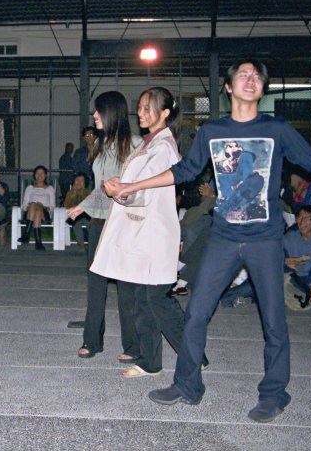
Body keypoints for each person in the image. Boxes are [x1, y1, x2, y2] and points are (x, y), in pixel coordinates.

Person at [108, 59, 311, 423]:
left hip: (265, 240)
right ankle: (187, 384)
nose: (250, 80)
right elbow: (184, 171)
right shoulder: (213, 131)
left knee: (273, 321)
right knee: (196, 314)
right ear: (229, 86)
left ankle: (273, 394)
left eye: (257, 77)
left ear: (262, 89)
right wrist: (130, 186)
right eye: (243, 75)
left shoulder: (277, 130)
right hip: (223, 236)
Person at [92, 87, 207, 378]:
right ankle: (162, 359)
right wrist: (124, 185)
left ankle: (171, 359)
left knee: (155, 300)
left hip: (154, 234)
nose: (141, 113)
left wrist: (121, 191)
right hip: (145, 232)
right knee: (150, 299)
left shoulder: (163, 147)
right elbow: (142, 186)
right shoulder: (150, 143)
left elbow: (149, 193)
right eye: (140, 107)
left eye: (148, 108)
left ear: (165, 113)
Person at [66, 91, 141, 358]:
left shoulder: (135, 144)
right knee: (95, 284)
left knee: (126, 288)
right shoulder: (101, 144)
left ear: (111, 112)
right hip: (98, 222)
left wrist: (122, 191)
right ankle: (92, 340)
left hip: (122, 222)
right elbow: (102, 188)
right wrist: (82, 206)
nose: (94, 116)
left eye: (98, 111)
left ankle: (132, 345)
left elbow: (138, 188)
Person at [18, 165, 56, 251]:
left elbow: (52, 207)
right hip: (30, 212)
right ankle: (38, 243)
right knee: (36, 209)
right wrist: (33, 206)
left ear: (45, 175)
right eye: (37, 173)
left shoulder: (50, 189)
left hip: (45, 213)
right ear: (34, 175)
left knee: (37, 207)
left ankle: (26, 234)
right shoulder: (29, 188)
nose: (39, 175)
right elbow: (24, 206)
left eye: (42, 173)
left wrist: (42, 206)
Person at [63, 173, 91, 247]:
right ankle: (81, 245)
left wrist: (81, 194)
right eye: (77, 180)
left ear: (85, 183)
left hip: (87, 215)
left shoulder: (89, 192)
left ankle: (93, 244)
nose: (79, 182)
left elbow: (89, 205)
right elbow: (66, 205)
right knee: (76, 223)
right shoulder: (70, 193)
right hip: (75, 216)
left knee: (91, 224)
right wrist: (74, 195)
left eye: (81, 180)